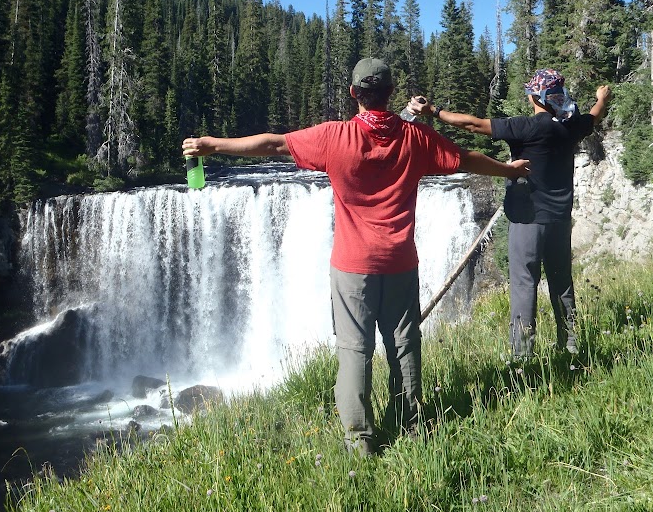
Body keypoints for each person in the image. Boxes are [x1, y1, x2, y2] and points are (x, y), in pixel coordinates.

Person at [182, 58, 530, 455]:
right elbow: (466, 159)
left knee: (354, 349)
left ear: (354, 94)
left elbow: (275, 142)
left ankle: (359, 440)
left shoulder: (335, 137)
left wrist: (214, 146)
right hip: (400, 260)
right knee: (404, 343)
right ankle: (411, 430)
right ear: (390, 94)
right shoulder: (415, 139)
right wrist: (509, 170)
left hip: (352, 266)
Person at [406, 69, 612, 360]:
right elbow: (595, 114)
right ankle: (570, 346)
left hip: (527, 219)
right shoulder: (571, 127)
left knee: (524, 284)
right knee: (561, 282)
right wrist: (601, 98)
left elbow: (473, 125)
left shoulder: (526, 127)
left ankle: (523, 358)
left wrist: (433, 111)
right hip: (560, 219)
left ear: (533, 96)